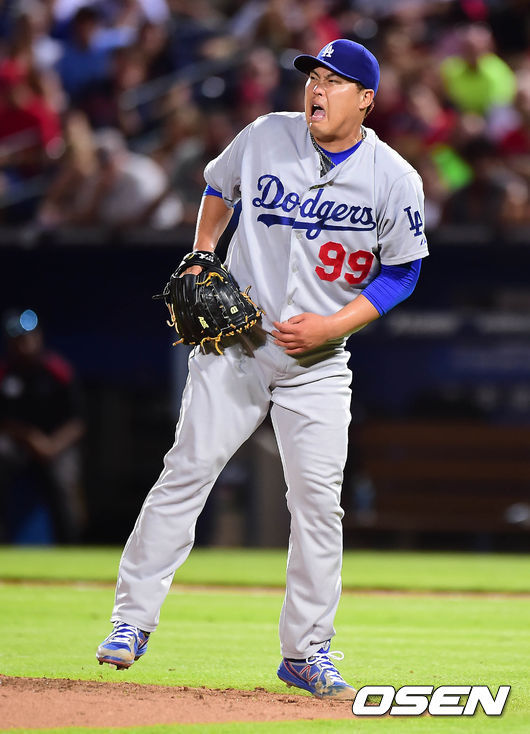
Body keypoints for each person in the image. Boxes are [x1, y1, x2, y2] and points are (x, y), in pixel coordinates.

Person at [96, 39, 428, 699]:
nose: (317, 88)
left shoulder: (394, 178)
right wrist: (202, 250)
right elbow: (218, 188)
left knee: (318, 507)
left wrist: (334, 325)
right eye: (313, 77)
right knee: (187, 470)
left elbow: (403, 271)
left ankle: (306, 653)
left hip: (319, 362)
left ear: (365, 98)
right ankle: (130, 621)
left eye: (334, 81)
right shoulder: (265, 136)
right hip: (237, 343)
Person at [0, 309, 86, 543]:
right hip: (19, 443)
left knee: (65, 477)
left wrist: (51, 446)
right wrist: (29, 437)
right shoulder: (5, 373)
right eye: (19, 339)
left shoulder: (58, 371)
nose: (25, 344)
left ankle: (72, 544)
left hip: (56, 444)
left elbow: (77, 421)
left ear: (39, 337)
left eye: (29, 337)